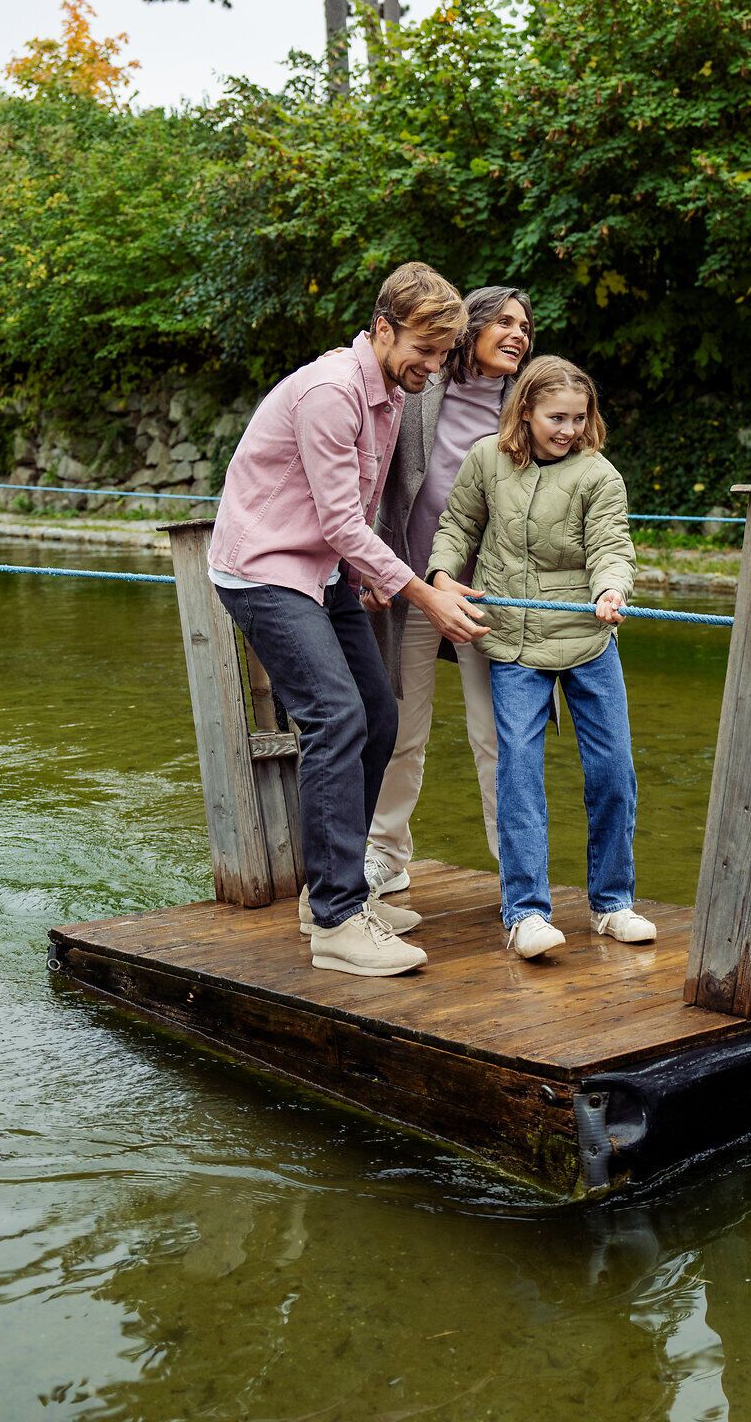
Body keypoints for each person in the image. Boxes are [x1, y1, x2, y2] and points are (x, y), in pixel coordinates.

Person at [207, 262, 489, 979]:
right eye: (422, 350)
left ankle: (327, 894)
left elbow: (351, 513)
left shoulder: (389, 394)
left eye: (441, 354)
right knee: (335, 717)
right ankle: (336, 923)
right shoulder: (333, 391)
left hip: (322, 569)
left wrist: (363, 576)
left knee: (379, 716)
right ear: (383, 328)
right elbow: (338, 517)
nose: (431, 367)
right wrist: (420, 593)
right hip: (265, 569)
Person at [426, 356, 658, 959]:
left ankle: (613, 904)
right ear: (524, 410)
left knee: (613, 771)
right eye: (557, 417)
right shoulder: (485, 459)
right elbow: (457, 525)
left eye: (579, 419)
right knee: (519, 773)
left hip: (587, 638)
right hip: (514, 642)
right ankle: (526, 913)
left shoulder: (599, 476)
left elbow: (613, 547)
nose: (569, 430)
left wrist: (611, 589)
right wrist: (442, 574)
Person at [364, 286, 534, 896]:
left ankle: (516, 870)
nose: (518, 334)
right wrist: (369, 568)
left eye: (525, 326)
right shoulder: (418, 388)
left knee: (500, 734)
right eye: (505, 322)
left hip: (492, 594)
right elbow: (376, 473)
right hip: (410, 581)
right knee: (400, 727)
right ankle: (386, 853)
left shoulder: (529, 403)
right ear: (471, 328)